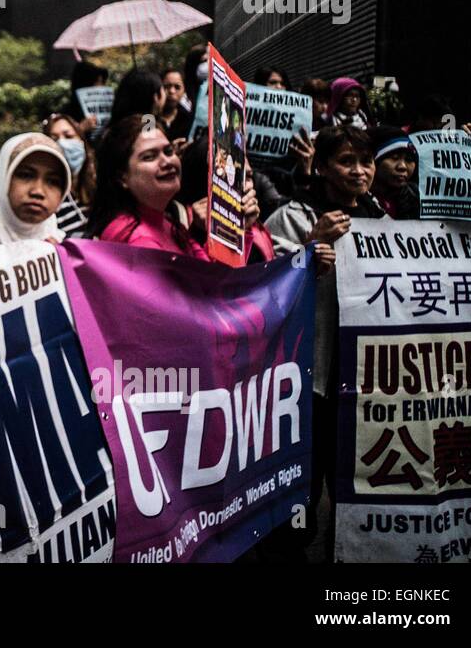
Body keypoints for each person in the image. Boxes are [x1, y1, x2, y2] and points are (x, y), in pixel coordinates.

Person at [264, 126, 384, 559]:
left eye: (365, 162)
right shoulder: (292, 216)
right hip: (305, 378)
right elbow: (263, 288)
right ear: (323, 167)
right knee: (302, 491)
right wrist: (309, 247)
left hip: (360, 381)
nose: (358, 171)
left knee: (354, 486)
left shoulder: (381, 218)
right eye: (346, 161)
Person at [87, 115, 272, 260]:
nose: (166, 161)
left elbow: (207, 274)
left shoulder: (169, 223)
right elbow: (207, 298)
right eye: (149, 157)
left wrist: (213, 231)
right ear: (122, 177)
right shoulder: (136, 239)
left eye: (168, 152)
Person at [43, 113, 95, 235]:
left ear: (81, 140)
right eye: (55, 139)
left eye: (69, 136)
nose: (62, 143)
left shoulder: (102, 185)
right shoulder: (49, 200)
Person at [369, 125, 420, 220]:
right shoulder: (354, 199)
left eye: (409, 160)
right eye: (394, 158)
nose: (402, 167)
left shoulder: (416, 198)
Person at [65, 59, 110, 137]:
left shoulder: (112, 107)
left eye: (103, 82)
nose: (101, 87)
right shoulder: (66, 115)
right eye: (97, 82)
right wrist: (81, 129)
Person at [161, 68, 194, 140]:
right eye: (166, 86)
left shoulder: (188, 118)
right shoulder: (149, 116)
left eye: (177, 87)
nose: (172, 91)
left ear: (184, 90)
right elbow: (147, 142)